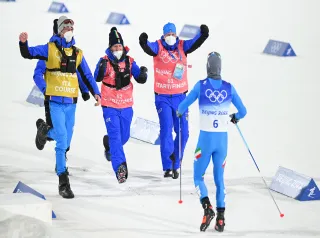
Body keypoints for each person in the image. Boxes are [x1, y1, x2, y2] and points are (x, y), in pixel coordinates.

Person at [19, 16, 101, 199]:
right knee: (62, 138)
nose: (69, 30)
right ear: (58, 30)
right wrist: (23, 44)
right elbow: (29, 53)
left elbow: (85, 74)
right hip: (54, 101)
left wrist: (95, 92)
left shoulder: (77, 53)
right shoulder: (49, 49)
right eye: (65, 28)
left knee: (66, 140)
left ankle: (44, 132)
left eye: (71, 27)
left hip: (71, 102)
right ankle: (63, 180)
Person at [177, 52, 247, 232]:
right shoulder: (229, 88)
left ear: (207, 67)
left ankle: (207, 208)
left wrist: (179, 112)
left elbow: (182, 106)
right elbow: (243, 111)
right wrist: (235, 117)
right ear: (220, 67)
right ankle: (221, 218)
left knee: (197, 176)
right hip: (222, 142)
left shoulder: (201, 86)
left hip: (205, 141)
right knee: (219, 180)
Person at [139, 22, 209, 179]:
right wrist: (143, 42)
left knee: (183, 132)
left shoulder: (182, 46)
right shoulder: (158, 46)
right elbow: (149, 48)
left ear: (176, 34)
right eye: (167, 34)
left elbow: (195, 42)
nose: (170, 36)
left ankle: (175, 161)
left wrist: (203, 34)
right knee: (166, 131)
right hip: (162, 97)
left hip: (180, 98)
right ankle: (167, 167)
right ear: (163, 35)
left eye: (172, 34)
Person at [33, 19, 92, 175]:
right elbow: (38, 74)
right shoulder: (48, 51)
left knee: (65, 132)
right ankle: (46, 135)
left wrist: (85, 90)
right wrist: (46, 89)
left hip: (68, 96)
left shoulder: (71, 51)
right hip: (52, 96)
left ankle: (46, 134)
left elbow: (76, 72)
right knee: (60, 133)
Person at [94, 27, 148, 184]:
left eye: (119, 46)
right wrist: (100, 67)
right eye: (114, 47)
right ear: (110, 48)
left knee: (123, 137)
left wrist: (143, 73)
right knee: (116, 136)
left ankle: (109, 147)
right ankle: (120, 168)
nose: (117, 49)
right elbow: (97, 77)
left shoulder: (130, 62)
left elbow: (139, 77)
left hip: (126, 106)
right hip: (109, 105)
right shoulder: (105, 61)